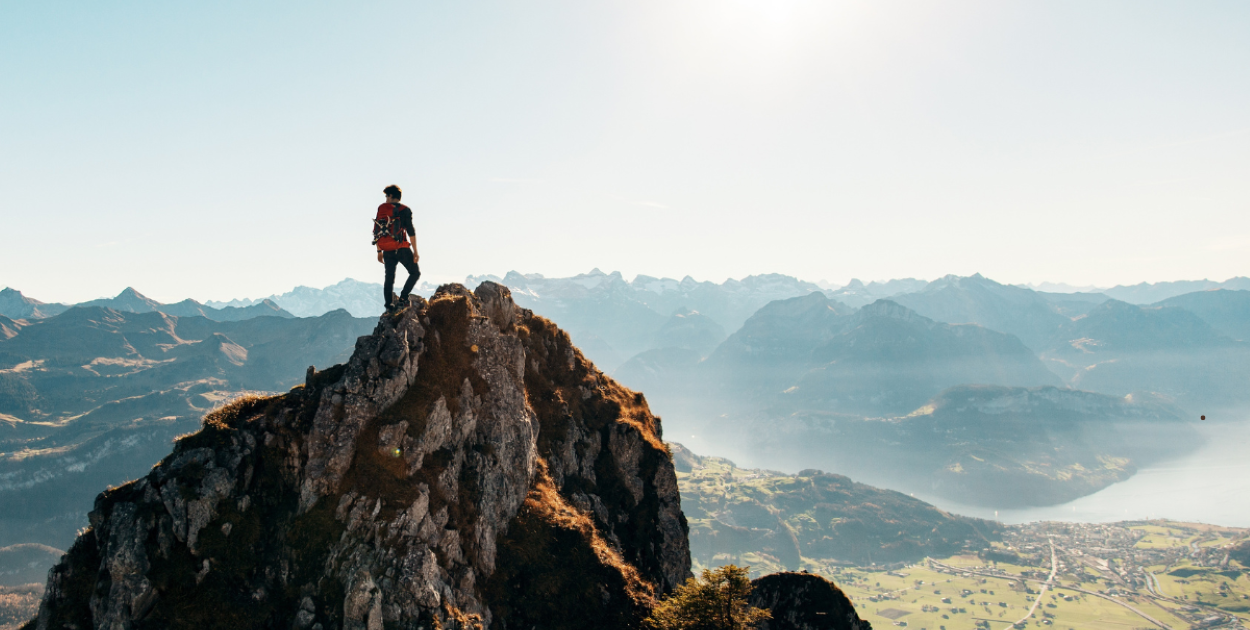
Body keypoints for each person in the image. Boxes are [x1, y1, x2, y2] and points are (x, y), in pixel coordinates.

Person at [372, 184, 420, 312]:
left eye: (387, 196)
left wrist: (379, 251)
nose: (386, 198)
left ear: (392, 196)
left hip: (387, 250)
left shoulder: (381, 209)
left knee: (389, 278)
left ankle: (389, 305)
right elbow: (410, 231)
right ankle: (403, 299)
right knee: (415, 272)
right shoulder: (405, 210)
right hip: (401, 248)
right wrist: (415, 251)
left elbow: (378, 230)